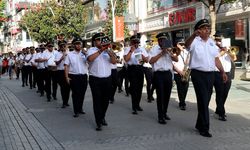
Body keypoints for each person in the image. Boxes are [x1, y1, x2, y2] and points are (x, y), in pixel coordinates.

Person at [185, 19, 227, 137]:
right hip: (198, 74)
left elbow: (216, 58)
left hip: (211, 74)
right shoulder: (194, 41)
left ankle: (199, 124)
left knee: (206, 100)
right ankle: (204, 128)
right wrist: (193, 35)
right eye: (204, 28)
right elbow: (187, 45)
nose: (207, 30)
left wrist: (222, 71)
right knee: (203, 99)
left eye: (208, 28)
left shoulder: (211, 42)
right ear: (198, 30)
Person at [87, 33, 116, 131]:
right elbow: (90, 59)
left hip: (107, 79)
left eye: (103, 40)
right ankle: (98, 122)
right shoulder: (91, 50)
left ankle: (102, 116)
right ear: (95, 41)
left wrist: (110, 52)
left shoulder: (108, 50)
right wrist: (101, 50)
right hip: (95, 79)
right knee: (97, 101)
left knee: (105, 100)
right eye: (99, 40)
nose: (102, 42)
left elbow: (113, 61)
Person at [149, 32, 178, 124]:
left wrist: (171, 52)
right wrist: (162, 53)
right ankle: (160, 116)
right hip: (158, 75)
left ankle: (164, 112)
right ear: (158, 41)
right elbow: (151, 61)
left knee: (167, 95)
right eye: (161, 40)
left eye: (165, 40)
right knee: (160, 95)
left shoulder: (169, 49)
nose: (163, 42)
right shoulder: (154, 49)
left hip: (168, 74)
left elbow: (176, 59)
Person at [213, 32, 237, 121]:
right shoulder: (213, 48)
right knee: (219, 93)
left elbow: (234, 59)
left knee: (225, 93)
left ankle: (218, 109)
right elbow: (216, 57)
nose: (219, 42)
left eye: (221, 40)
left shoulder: (228, 48)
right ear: (215, 40)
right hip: (217, 73)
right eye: (218, 40)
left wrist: (229, 51)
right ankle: (221, 113)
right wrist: (222, 51)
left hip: (228, 73)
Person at [124, 34, 149, 115]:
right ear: (131, 42)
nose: (136, 44)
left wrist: (140, 55)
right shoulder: (127, 49)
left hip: (140, 68)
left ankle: (137, 104)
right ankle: (134, 106)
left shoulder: (141, 49)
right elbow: (126, 60)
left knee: (139, 88)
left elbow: (146, 60)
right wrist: (131, 51)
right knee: (134, 88)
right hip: (132, 69)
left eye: (137, 42)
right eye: (134, 42)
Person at [65, 37, 88, 117]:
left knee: (82, 93)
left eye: (79, 44)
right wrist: (66, 77)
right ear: (73, 45)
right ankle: (76, 110)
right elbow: (66, 66)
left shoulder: (85, 54)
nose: (78, 45)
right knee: (75, 94)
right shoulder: (70, 55)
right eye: (76, 44)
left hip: (83, 76)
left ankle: (80, 108)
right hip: (74, 76)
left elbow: (90, 62)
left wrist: (86, 54)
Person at [172, 38, 190, 110]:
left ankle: (183, 100)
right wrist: (180, 72)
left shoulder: (186, 51)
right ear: (177, 44)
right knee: (180, 88)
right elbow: (173, 64)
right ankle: (182, 103)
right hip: (177, 73)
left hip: (186, 72)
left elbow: (188, 62)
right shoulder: (174, 51)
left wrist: (185, 70)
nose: (182, 45)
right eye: (181, 44)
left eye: (183, 44)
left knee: (186, 88)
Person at [55, 40, 70, 108]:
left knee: (68, 87)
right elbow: (56, 63)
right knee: (63, 87)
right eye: (61, 46)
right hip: (60, 72)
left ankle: (66, 101)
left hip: (68, 72)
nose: (63, 47)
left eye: (64, 46)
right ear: (59, 47)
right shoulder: (57, 54)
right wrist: (62, 57)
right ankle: (64, 102)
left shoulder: (69, 53)